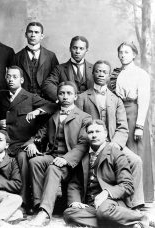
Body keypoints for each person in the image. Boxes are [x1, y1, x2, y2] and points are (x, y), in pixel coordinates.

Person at [76, 60, 144, 209]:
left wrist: (115, 143)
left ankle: (134, 204)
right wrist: (91, 139)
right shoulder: (82, 97)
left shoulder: (116, 99)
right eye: (98, 71)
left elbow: (122, 127)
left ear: (108, 75)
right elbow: (78, 125)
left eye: (104, 72)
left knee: (136, 160)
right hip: (91, 143)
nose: (101, 74)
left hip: (112, 142)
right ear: (92, 73)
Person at [63, 120, 155, 228]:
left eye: (98, 131)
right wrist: (75, 201)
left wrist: (107, 192)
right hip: (92, 206)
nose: (94, 135)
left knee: (104, 211)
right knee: (69, 214)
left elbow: (127, 185)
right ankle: (126, 223)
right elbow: (75, 183)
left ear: (105, 134)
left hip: (112, 203)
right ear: (87, 135)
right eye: (90, 132)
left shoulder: (116, 153)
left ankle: (143, 219)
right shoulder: (83, 155)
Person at [26, 81, 91, 226]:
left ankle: (45, 213)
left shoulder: (84, 117)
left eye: (69, 93)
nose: (65, 97)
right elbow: (40, 134)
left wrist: (66, 159)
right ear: (58, 97)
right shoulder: (53, 116)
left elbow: (83, 144)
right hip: (53, 155)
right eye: (61, 93)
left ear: (75, 96)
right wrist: (31, 143)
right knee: (34, 161)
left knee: (53, 168)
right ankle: (39, 205)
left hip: (72, 163)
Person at [0, 66, 49, 213]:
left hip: (22, 143)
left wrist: (38, 111)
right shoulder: (0, 96)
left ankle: (25, 201)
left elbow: (52, 106)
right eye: (8, 77)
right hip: (4, 142)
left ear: (21, 80)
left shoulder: (30, 97)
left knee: (23, 158)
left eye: (14, 77)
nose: (11, 79)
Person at [110, 42, 153, 203]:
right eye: (120, 52)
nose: (123, 55)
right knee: (123, 152)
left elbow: (144, 99)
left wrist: (139, 126)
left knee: (137, 154)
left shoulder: (140, 74)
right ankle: (125, 195)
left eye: (127, 52)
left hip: (134, 114)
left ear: (134, 54)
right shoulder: (116, 73)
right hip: (120, 113)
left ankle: (140, 198)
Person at [13, 22, 59, 96]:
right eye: (30, 32)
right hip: (24, 99)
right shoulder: (17, 57)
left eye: (36, 32)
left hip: (46, 99)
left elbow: (56, 80)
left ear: (42, 36)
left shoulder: (51, 56)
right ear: (25, 34)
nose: (33, 35)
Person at [42, 36, 93, 102]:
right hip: (67, 106)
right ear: (70, 49)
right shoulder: (59, 68)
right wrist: (60, 97)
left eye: (81, 48)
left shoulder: (93, 68)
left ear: (86, 50)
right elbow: (47, 84)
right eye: (75, 48)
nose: (78, 51)